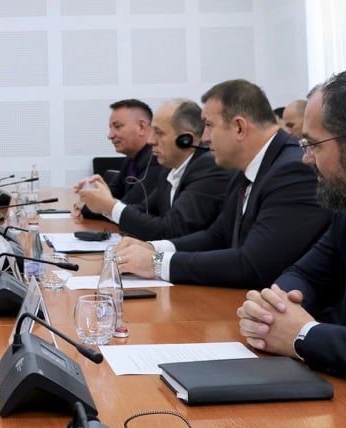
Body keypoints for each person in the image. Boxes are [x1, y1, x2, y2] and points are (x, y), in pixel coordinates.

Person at [238, 67, 346, 397]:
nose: (305, 159)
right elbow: (307, 273)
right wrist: (273, 309)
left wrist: (305, 335)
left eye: (313, 145)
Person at [114, 79, 331, 289]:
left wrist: (156, 263)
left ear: (239, 127)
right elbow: (217, 235)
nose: (205, 137)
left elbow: (254, 265)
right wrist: (152, 248)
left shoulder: (293, 170)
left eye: (208, 125)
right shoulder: (246, 167)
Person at [74, 99, 233, 240]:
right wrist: (105, 204)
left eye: (159, 133)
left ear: (186, 140)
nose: (150, 141)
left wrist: (109, 206)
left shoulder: (209, 167)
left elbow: (171, 230)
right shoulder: (169, 168)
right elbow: (144, 209)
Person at [76, 99, 163, 219]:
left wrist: (87, 207)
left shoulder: (156, 160)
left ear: (141, 127)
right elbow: (113, 196)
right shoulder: (130, 159)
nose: (110, 135)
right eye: (111, 128)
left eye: (117, 127)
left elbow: (126, 208)